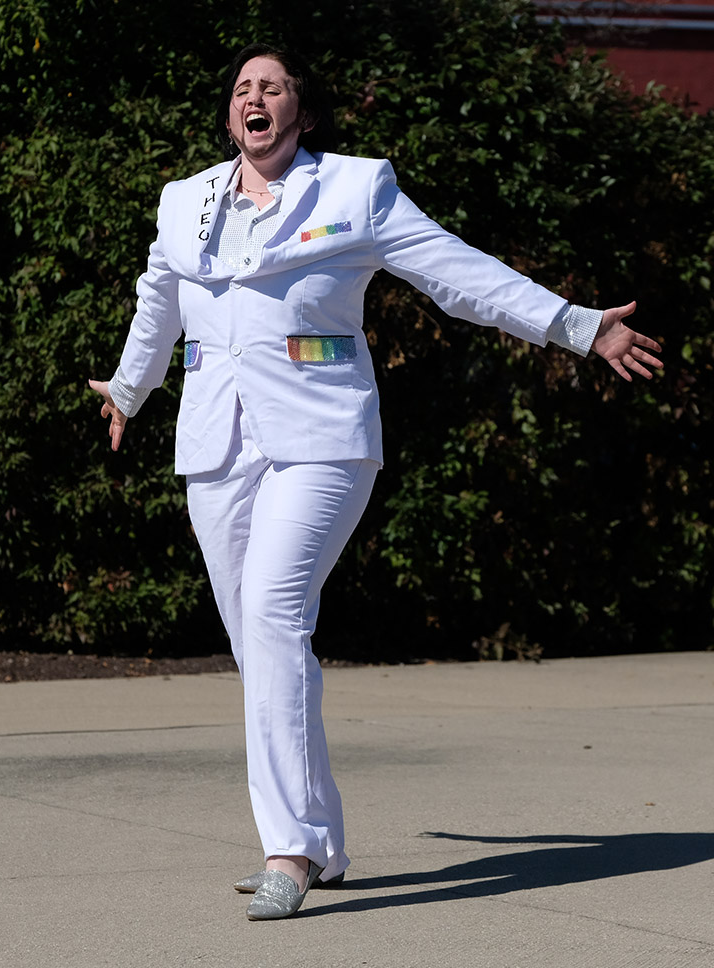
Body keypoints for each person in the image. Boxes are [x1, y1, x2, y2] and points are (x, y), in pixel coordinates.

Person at [89, 43, 663, 920]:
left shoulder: (357, 189)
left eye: (272, 88)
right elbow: (158, 300)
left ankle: (285, 849)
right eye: (243, 88)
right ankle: (321, 839)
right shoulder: (186, 201)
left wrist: (579, 327)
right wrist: (129, 388)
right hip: (217, 442)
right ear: (229, 114)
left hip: (321, 440)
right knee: (260, 644)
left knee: (276, 608)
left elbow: (460, 275)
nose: (255, 97)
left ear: (301, 114)